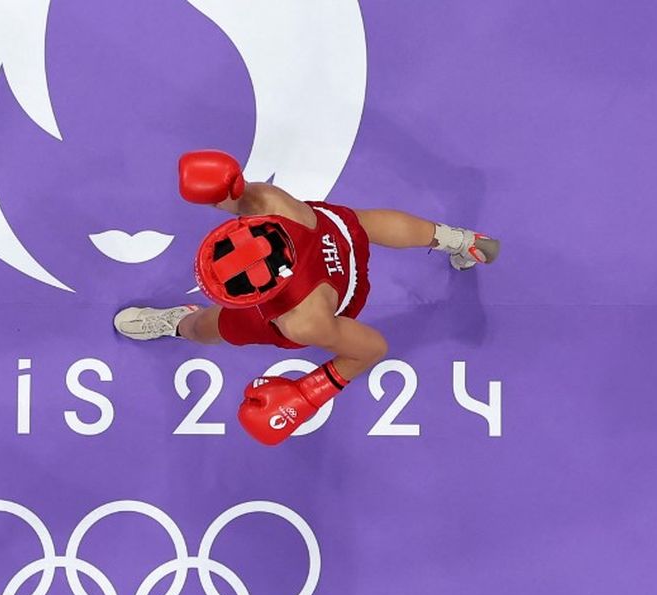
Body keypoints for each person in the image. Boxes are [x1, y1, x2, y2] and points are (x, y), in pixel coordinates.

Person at [115, 150, 499, 445]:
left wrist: (310, 393)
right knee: (365, 224)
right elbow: (229, 196)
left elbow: (372, 348)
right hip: (329, 234)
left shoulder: (301, 323)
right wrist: (220, 189)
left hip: (334, 296)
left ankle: (178, 323)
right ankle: (463, 241)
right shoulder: (269, 204)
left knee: (205, 327)